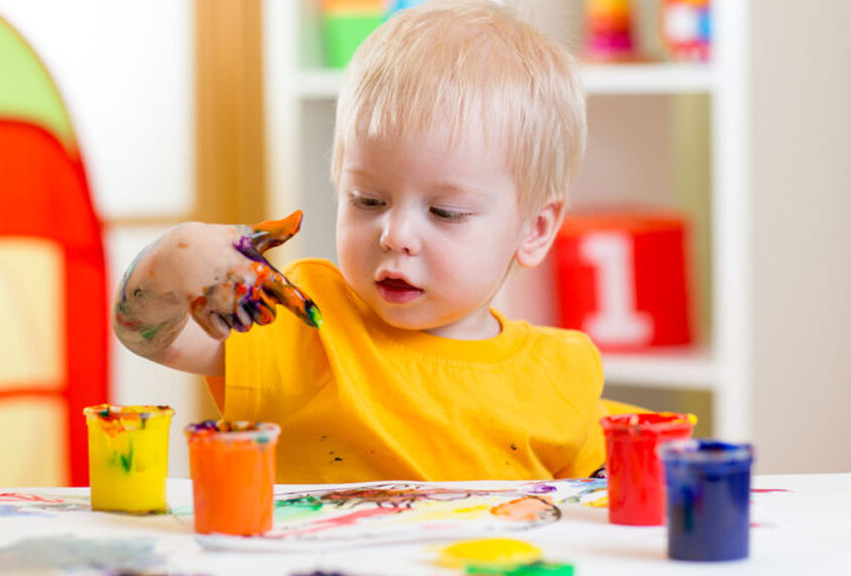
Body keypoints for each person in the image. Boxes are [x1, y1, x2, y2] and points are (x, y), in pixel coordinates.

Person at [114, 0, 605, 483]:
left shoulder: (562, 375)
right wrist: (176, 258)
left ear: (535, 229)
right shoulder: (303, 326)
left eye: (444, 212)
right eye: (368, 200)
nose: (395, 235)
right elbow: (143, 334)